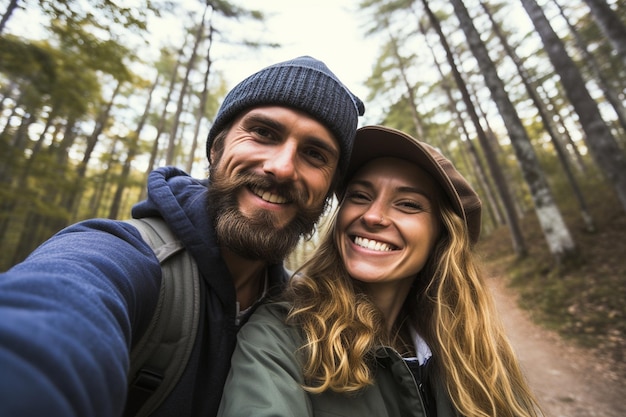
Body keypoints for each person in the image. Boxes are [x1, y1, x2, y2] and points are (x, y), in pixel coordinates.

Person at [0, 56, 365, 417]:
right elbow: (54, 311)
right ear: (215, 148)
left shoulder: (299, 319)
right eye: (264, 133)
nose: (282, 167)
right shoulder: (122, 254)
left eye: (315, 154)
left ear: (330, 191)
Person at [217, 125, 544, 417]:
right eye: (360, 196)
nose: (373, 216)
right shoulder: (283, 334)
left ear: (442, 236)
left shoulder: (474, 347)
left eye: (408, 204)